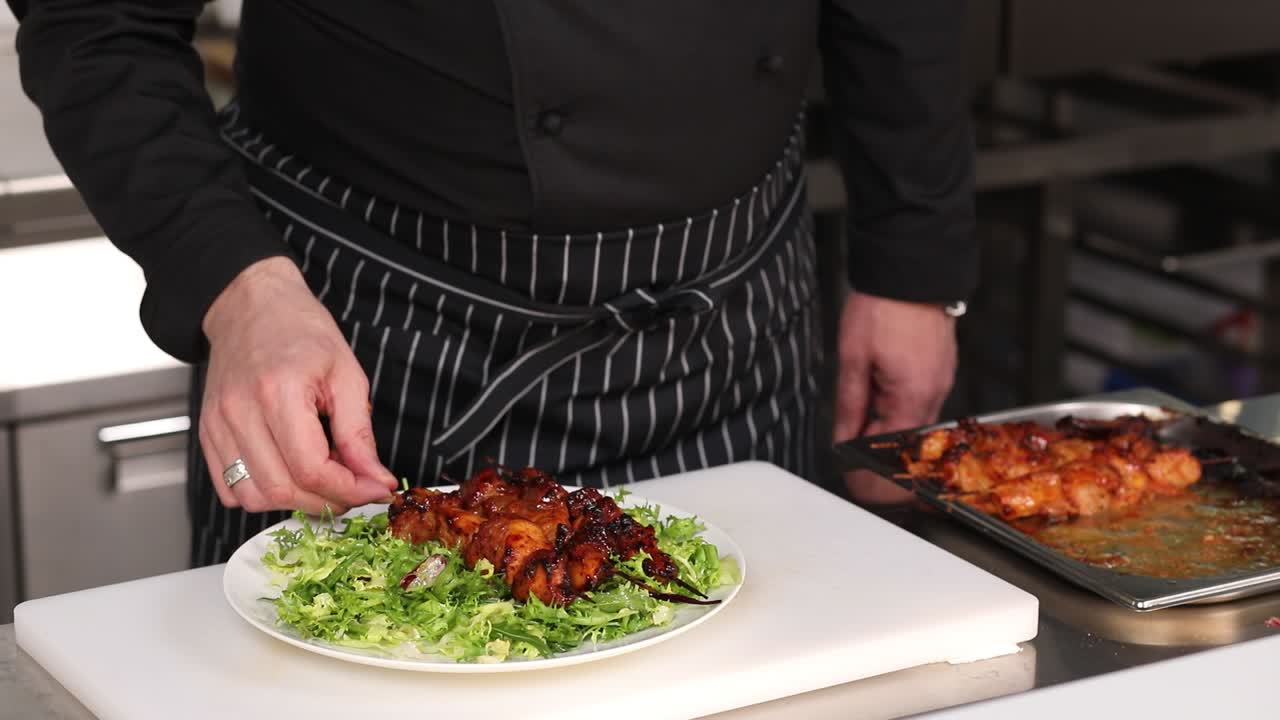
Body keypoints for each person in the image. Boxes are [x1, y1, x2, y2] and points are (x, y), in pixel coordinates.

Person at [9, 1, 976, 565]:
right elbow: (100, 20)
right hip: (381, 327)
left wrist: (914, 261)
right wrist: (237, 290)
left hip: (734, 312)